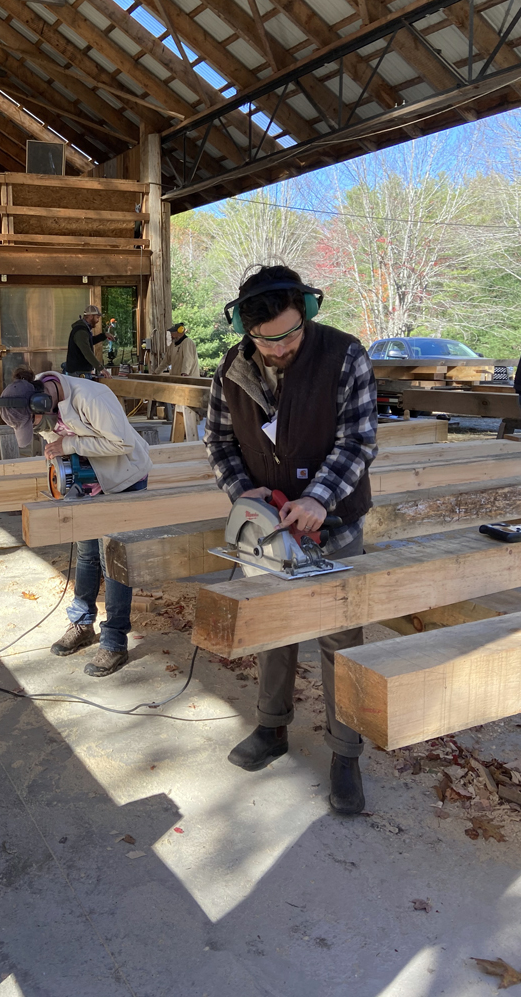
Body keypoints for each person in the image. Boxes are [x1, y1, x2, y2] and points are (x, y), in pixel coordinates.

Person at [204, 265, 378, 815]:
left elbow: (358, 441)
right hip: (267, 527)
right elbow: (218, 440)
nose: (282, 347)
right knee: (274, 631)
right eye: (267, 339)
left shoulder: (345, 355)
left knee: (339, 640)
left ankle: (345, 753)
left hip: (336, 521)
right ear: (245, 329)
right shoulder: (232, 367)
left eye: (291, 333)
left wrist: (319, 498)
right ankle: (272, 727)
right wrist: (242, 492)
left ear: (305, 311)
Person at [0, 365, 150, 677]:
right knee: (86, 555)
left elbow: (123, 444)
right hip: (88, 479)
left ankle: (114, 641)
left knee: (114, 561)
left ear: (42, 403)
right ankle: (81, 623)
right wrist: (59, 460)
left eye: (35, 422)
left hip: (122, 477)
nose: (37, 426)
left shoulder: (92, 398)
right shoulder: (38, 396)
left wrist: (68, 445)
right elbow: (54, 438)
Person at [65, 304, 114, 376]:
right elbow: (87, 352)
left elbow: (89, 341)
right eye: (97, 317)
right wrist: (100, 368)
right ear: (91, 316)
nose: (98, 321)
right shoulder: (81, 331)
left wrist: (104, 335)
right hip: (79, 372)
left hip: (80, 371)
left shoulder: (84, 329)